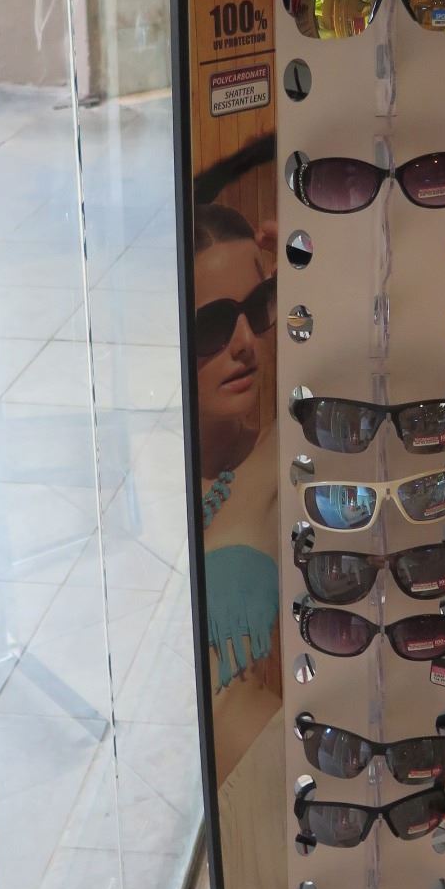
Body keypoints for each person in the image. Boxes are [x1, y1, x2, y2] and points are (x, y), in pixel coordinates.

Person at [194, 198, 281, 784]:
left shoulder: (282, 455)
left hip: (261, 790)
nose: (246, 341)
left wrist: (318, 267)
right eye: (215, 324)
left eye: (256, 308)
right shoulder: (133, 472)